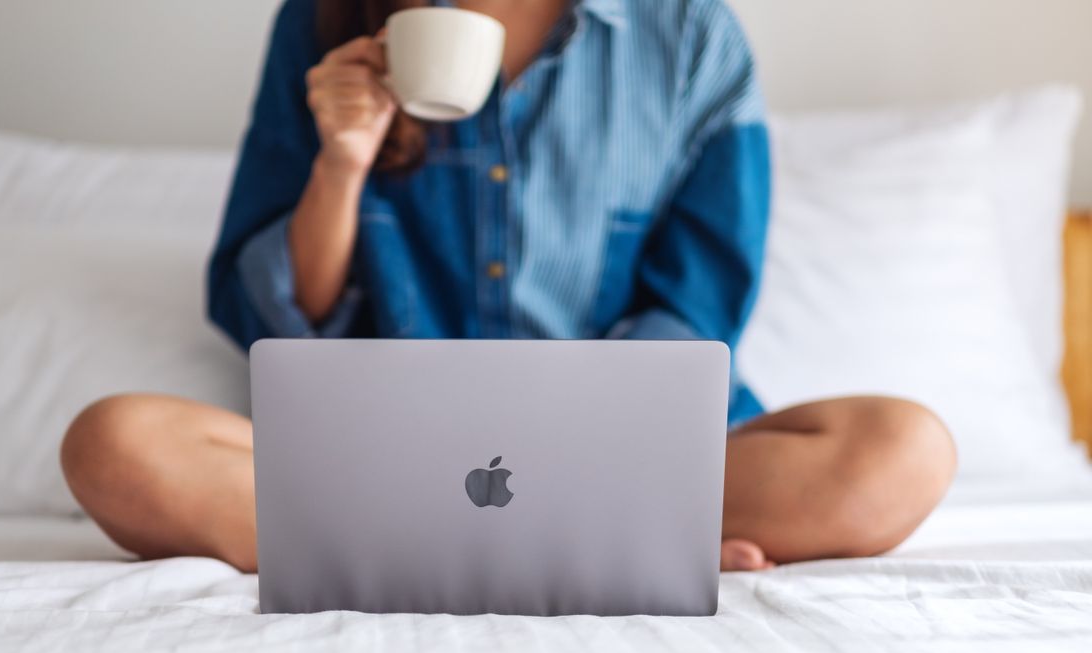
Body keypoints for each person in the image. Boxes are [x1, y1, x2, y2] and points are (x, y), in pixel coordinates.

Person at [61, 0, 956, 573]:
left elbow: (700, 308)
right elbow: (279, 322)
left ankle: (433, 556)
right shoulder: (325, 21)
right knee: (115, 443)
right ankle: (604, 559)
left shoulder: (690, 36)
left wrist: (583, 454)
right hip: (389, 461)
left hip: (625, 460)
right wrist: (343, 161)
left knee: (903, 448)